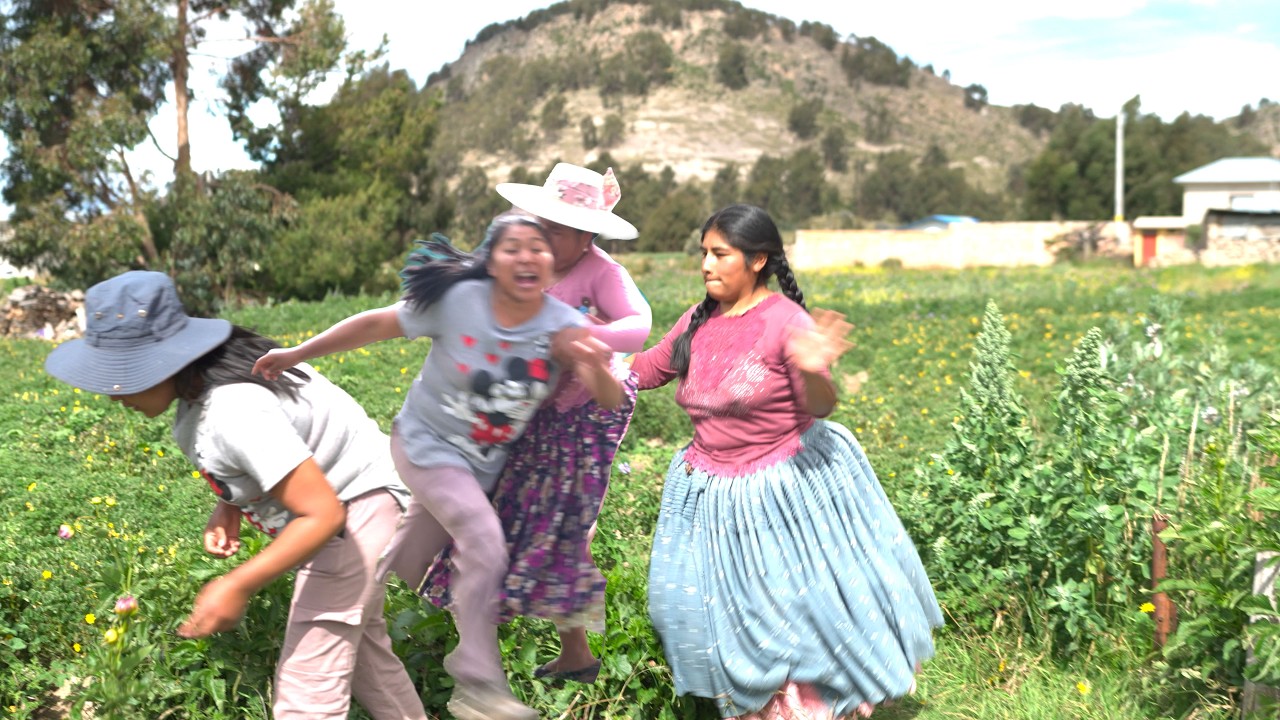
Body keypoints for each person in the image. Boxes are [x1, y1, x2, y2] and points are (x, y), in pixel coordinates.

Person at [252, 211, 623, 720]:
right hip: (424, 445)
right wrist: (299, 352)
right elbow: (376, 323)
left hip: (481, 469)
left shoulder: (563, 326)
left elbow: (606, 399)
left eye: (538, 247)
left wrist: (592, 363)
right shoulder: (459, 303)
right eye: (512, 247)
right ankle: (477, 676)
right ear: (491, 262)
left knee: (407, 561)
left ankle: (363, 603)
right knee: (484, 539)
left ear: (552, 267)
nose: (527, 256)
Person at [43, 270, 428, 720]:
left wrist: (235, 584)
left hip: (356, 507)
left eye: (123, 376)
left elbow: (320, 515)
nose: (112, 394)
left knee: (306, 691)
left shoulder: (232, 409)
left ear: (165, 361)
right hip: (360, 499)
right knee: (361, 652)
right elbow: (274, 451)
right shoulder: (205, 386)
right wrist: (229, 503)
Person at [629, 204, 943, 719]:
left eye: (720, 254)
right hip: (711, 491)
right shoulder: (697, 319)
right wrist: (592, 356)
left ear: (758, 260)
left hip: (778, 488)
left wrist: (815, 369)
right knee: (693, 611)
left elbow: (820, 404)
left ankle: (799, 710)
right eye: (704, 253)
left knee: (785, 614)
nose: (706, 265)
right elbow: (647, 369)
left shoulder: (784, 321)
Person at [420, 162, 651, 683]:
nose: (545, 237)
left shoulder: (601, 272)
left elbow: (639, 328)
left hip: (585, 410)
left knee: (564, 524)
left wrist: (582, 336)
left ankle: (561, 653)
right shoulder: (523, 250)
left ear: (588, 235)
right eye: (543, 223)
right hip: (529, 402)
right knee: (494, 509)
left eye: (561, 230)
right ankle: (499, 641)